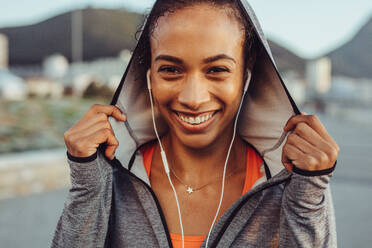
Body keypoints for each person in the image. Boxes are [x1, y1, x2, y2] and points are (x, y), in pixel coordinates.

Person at [52, 0, 340, 247]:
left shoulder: (293, 184)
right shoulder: (111, 176)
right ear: (149, 76)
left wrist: (307, 195)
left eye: (217, 70)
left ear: (246, 74)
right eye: (171, 70)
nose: (193, 98)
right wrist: (87, 181)